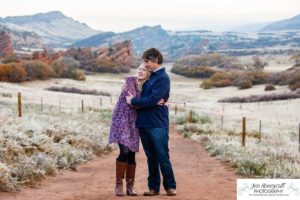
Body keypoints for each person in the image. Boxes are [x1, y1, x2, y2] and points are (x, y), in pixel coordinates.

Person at [126, 48, 177, 196]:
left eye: (147, 61)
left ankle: (170, 186)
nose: (145, 64)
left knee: (162, 155)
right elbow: (142, 91)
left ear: (155, 61)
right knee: (151, 158)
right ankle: (153, 188)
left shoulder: (163, 78)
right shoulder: (150, 77)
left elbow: (154, 100)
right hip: (143, 122)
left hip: (157, 123)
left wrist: (134, 101)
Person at [109, 63, 164, 196]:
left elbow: (143, 101)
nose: (140, 71)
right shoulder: (130, 81)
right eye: (139, 68)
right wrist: (154, 102)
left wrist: (155, 101)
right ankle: (118, 185)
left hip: (135, 121)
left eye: (144, 70)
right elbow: (132, 101)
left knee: (132, 153)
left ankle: (130, 187)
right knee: (125, 151)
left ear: (148, 73)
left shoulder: (147, 87)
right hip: (122, 119)